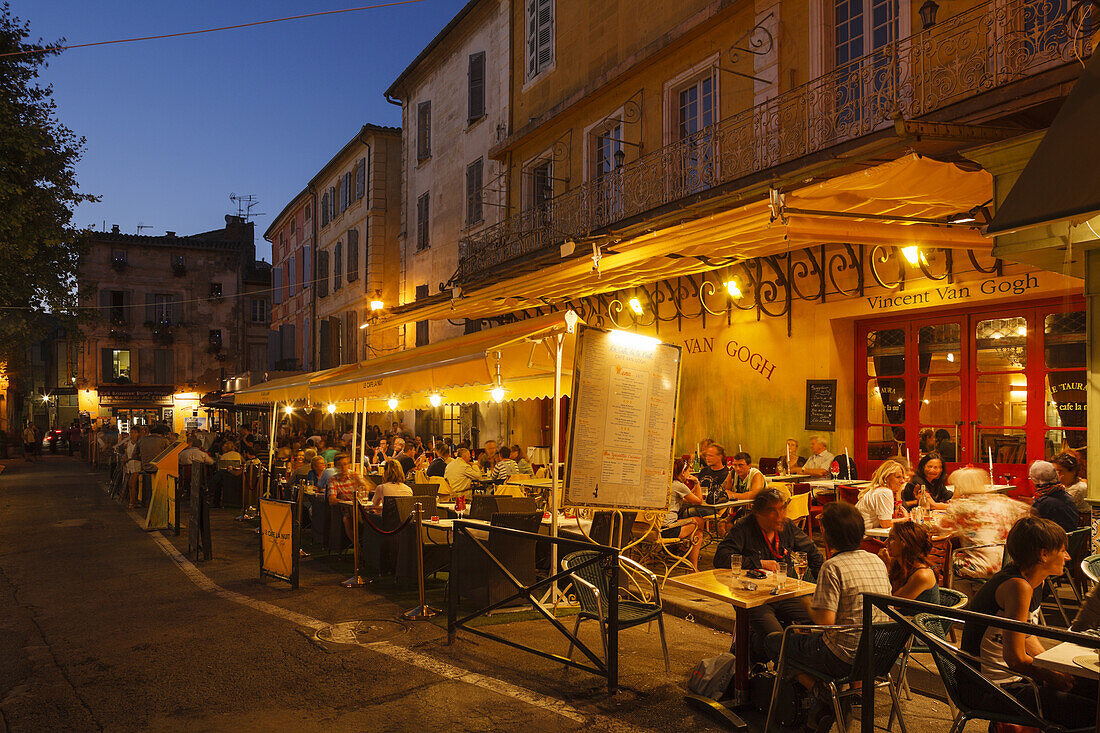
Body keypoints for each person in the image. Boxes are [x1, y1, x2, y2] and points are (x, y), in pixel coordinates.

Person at [764, 502, 890, 732]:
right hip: (879, 655)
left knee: (776, 642)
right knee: (803, 637)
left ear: (828, 535)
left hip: (843, 657)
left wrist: (805, 602)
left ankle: (822, 693)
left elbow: (826, 622)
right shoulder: (877, 561)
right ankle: (826, 699)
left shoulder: (833, 566)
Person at [961, 517, 1096, 731]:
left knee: (1089, 687)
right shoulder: (1017, 586)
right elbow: (1015, 659)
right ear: (1043, 554)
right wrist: (1051, 676)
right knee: (1091, 713)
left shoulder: (1035, 581)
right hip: (988, 687)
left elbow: (1026, 634)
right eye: (1062, 550)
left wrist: (1052, 669)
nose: (1068, 556)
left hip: (1012, 680)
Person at [716, 488, 825, 663]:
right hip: (754, 598)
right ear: (759, 514)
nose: (780, 515)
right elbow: (721, 558)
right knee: (778, 638)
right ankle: (790, 674)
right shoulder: (744, 528)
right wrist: (759, 563)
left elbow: (814, 555)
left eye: (782, 509)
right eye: (773, 511)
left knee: (819, 622)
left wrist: (823, 591)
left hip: (784, 593)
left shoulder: (786, 526)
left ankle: (798, 671)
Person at [935, 466, 1030, 580]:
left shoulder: (960, 507)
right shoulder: (1001, 500)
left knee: (942, 562)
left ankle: (958, 595)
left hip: (979, 566)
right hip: (1010, 562)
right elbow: (1027, 513)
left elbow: (941, 531)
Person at [659, 459, 708, 570]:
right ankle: (693, 567)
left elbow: (687, 498)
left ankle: (683, 548)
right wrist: (697, 482)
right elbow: (699, 501)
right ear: (683, 472)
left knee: (698, 523)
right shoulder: (678, 485)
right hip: (667, 530)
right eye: (688, 471)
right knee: (699, 530)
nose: (689, 474)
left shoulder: (665, 483)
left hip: (653, 528)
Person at [878, 521, 939, 603]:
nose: (886, 542)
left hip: (918, 615)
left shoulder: (922, 575)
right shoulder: (897, 563)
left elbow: (892, 604)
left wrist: (885, 568)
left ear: (905, 544)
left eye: (892, 538)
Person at [855, 459, 910, 531]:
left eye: (903, 477)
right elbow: (886, 524)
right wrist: (905, 519)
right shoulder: (884, 492)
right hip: (860, 538)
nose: (903, 481)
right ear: (886, 478)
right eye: (898, 477)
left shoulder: (879, 489)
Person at [1028, 459, 1079, 533]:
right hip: (1071, 541)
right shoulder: (1067, 496)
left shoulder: (1042, 503)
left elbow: (1033, 529)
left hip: (1053, 542)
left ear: (1035, 480)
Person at [326, 453, 368, 540]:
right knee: (347, 519)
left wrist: (363, 484)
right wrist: (347, 503)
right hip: (346, 509)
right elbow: (331, 500)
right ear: (336, 467)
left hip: (361, 507)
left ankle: (368, 543)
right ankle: (358, 547)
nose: (343, 467)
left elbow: (367, 489)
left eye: (345, 464)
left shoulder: (354, 475)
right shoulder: (333, 480)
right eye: (340, 465)